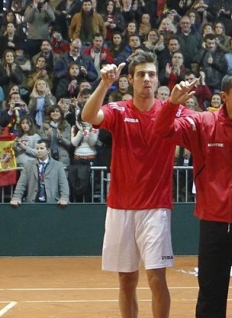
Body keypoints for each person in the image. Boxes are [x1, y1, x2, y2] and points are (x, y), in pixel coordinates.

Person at [153, 70, 232, 317]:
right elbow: (162, 130)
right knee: (210, 294)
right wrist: (172, 103)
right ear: (224, 97)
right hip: (213, 223)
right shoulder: (204, 123)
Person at [82, 51, 180, 318]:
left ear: (157, 78)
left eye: (150, 74)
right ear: (130, 80)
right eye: (140, 74)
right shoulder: (118, 111)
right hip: (120, 208)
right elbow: (88, 115)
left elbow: (208, 120)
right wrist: (104, 84)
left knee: (157, 279)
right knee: (126, 281)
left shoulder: (171, 111)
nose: (146, 79)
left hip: (156, 209)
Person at [10, 139, 70, 207]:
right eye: (37, 148)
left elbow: (63, 184)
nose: (38, 151)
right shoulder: (28, 165)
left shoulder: (58, 165)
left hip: (52, 204)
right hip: (32, 203)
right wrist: (16, 198)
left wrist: (64, 198)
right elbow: (21, 184)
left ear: (48, 150)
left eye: (41, 148)